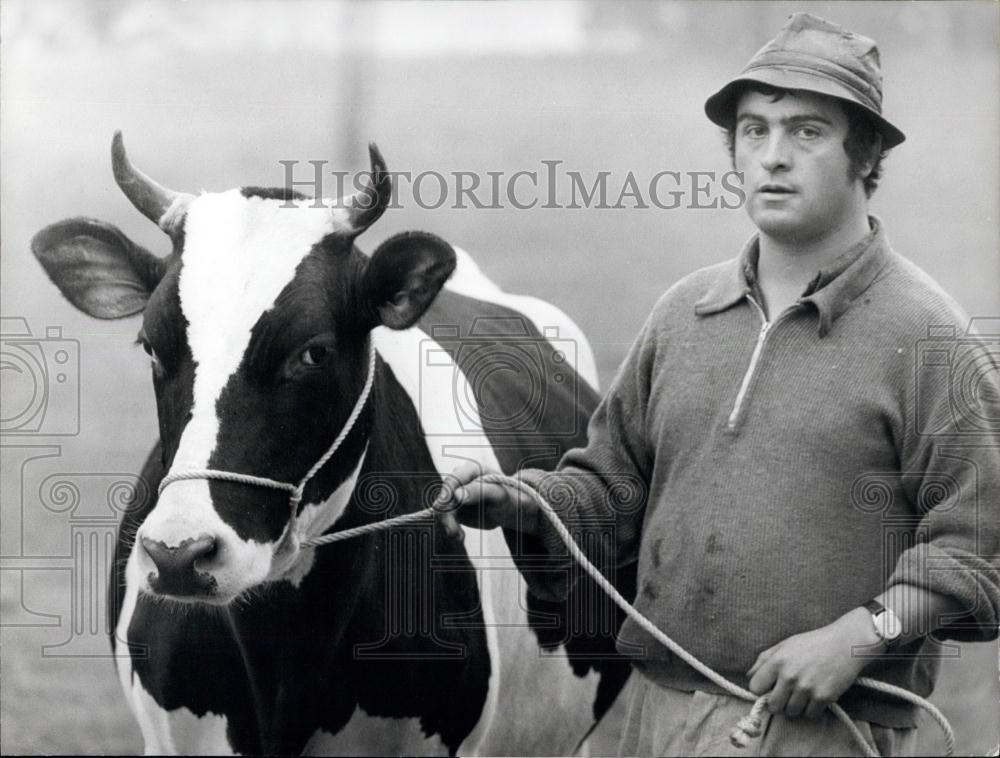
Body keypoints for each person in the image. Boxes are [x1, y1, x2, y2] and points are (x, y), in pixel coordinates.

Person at [435, 12, 1000, 757]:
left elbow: (978, 542)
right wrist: (526, 499)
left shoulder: (929, 333)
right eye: (754, 130)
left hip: (817, 728)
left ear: (865, 154)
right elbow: (610, 492)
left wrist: (858, 637)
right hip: (649, 713)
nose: (772, 156)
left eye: (806, 131)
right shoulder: (684, 313)